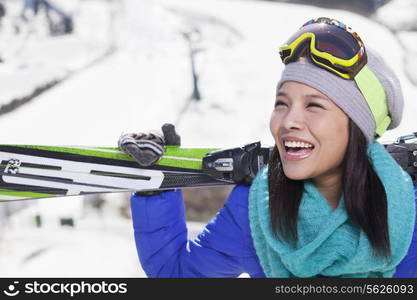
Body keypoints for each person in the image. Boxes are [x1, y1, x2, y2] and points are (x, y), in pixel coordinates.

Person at [119, 17, 417, 278]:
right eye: (281, 104)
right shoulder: (257, 208)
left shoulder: (407, 209)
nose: (289, 121)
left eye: (314, 105)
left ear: (357, 127)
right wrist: (157, 186)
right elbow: (178, 276)